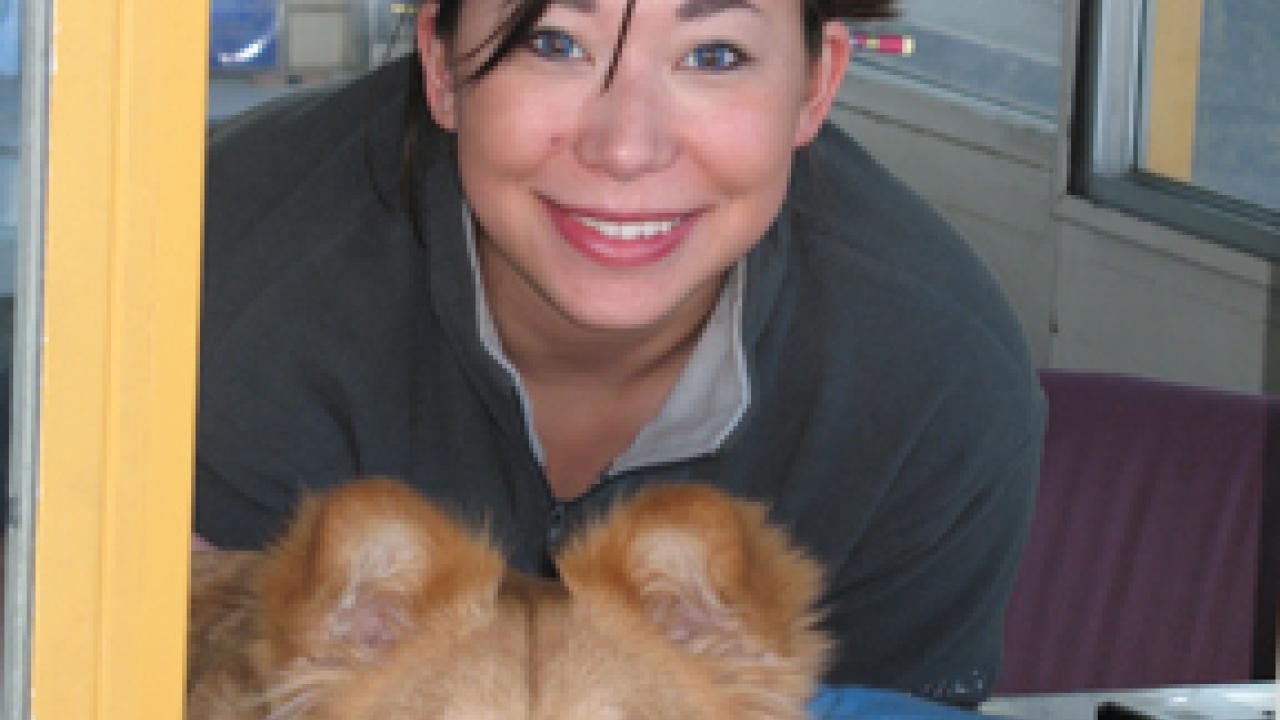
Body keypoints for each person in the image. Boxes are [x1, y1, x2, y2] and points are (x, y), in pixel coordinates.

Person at [195, 0, 1046, 707]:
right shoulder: (204, 285)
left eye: (714, 55)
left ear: (815, 85)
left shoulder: (936, 388)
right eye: (554, 42)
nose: (627, 147)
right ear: (442, 65)